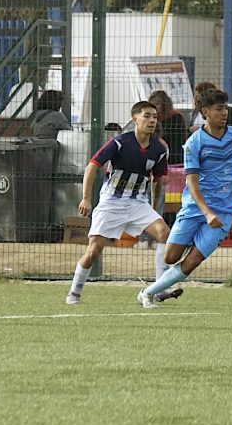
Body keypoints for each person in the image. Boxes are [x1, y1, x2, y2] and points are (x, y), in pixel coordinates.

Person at [136, 88, 232, 308]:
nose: (224, 112)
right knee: (170, 257)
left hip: (223, 211)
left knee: (192, 261)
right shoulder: (195, 142)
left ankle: (147, 293)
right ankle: (163, 282)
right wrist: (206, 212)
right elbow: (192, 183)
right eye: (219, 109)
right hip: (195, 208)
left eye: (225, 107)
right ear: (206, 112)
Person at [65, 101, 175, 305]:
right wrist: (87, 198)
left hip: (138, 203)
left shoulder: (159, 149)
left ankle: (160, 288)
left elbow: (157, 180)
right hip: (111, 202)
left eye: (155, 117)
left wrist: (153, 206)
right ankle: (74, 292)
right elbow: (91, 167)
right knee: (94, 251)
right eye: (147, 116)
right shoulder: (120, 142)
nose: (152, 120)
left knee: (165, 235)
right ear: (135, 119)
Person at [148, 89, 187, 165]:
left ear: (164, 104)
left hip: (174, 157)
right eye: (152, 105)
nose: (154, 107)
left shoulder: (176, 117)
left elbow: (178, 140)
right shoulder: (151, 119)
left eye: (157, 104)